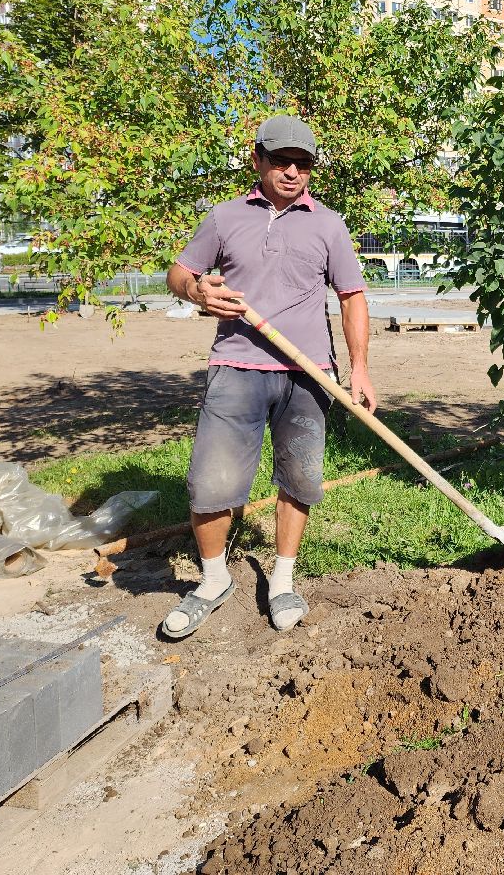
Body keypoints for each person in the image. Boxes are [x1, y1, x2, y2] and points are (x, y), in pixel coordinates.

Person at [160, 114, 376, 639]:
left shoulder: (329, 224)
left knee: (299, 478)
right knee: (211, 483)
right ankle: (213, 581)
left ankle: (282, 579)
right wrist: (194, 292)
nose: (291, 172)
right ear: (257, 159)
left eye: (302, 164)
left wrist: (360, 368)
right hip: (235, 365)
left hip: (308, 374)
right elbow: (179, 272)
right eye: (281, 161)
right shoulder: (224, 218)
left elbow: (352, 297)